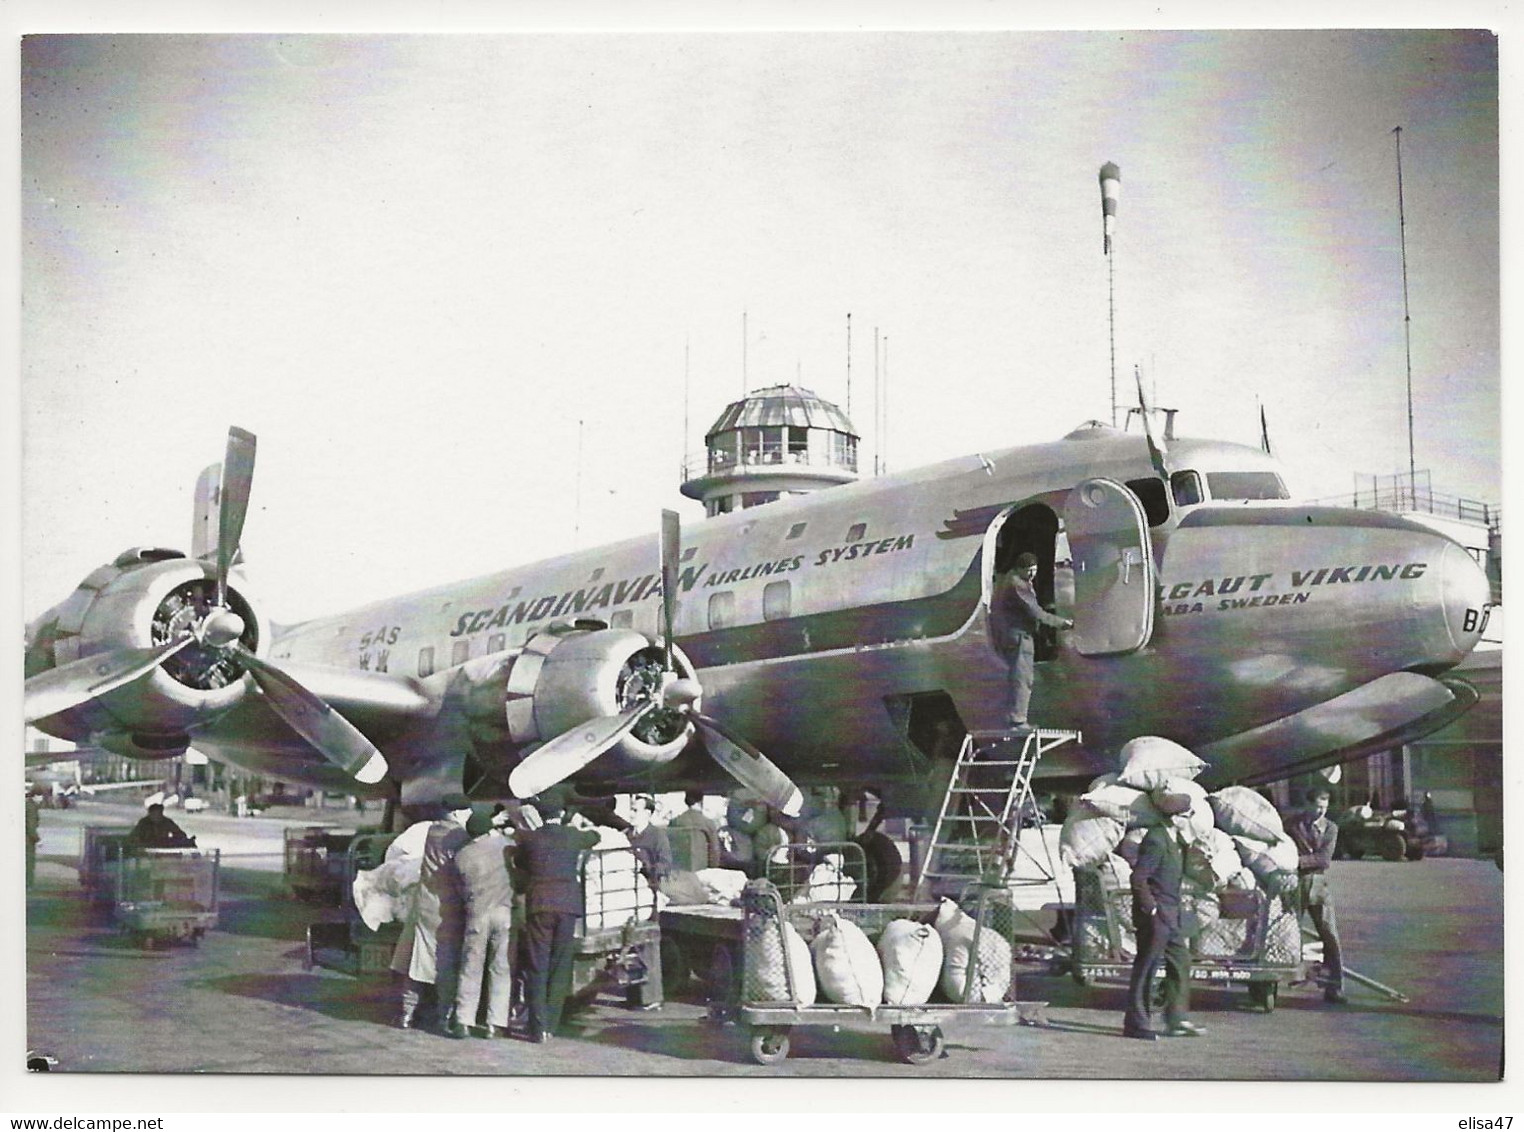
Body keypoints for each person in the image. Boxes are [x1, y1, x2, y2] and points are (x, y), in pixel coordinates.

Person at [514, 792, 600, 1042]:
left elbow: (519, 862)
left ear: (539, 815)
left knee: (537, 965)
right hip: (567, 905)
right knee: (560, 965)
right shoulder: (573, 836)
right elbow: (595, 836)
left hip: (539, 904)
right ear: (561, 814)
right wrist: (581, 825)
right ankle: (551, 1025)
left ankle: (536, 1027)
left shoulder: (530, 839)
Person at [1123, 792, 1205, 1040]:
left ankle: (1177, 1019)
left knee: (1181, 960)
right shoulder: (1157, 841)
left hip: (1172, 915)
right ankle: (1137, 1024)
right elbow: (1138, 878)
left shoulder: (1175, 839)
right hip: (1157, 916)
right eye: (1187, 814)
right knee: (1147, 966)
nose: (1190, 818)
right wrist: (1151, 908)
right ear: (1175, 818)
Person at [390, 793, 474, 1033]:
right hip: (446, 908)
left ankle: (406, 1014)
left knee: (416, 962)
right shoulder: (459, 835)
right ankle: (443, 1017)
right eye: (466, 812)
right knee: (446, 965)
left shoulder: (432, 831)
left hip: (424, 904)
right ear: (458, 813)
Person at [989, 551, 1073, 734]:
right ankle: (1018, 721)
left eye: (1034, 570)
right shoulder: (1018, 585)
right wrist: (1062, 623)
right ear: (1020, 569)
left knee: (1016, 677)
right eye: (1029, 570)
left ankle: (1013, 717)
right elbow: (1036, 613)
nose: (1032, 574)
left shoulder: (1010, 579)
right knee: (1023, 678)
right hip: (1020, 637)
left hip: (1012, 634)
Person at [452, 806, 517, 1039]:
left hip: (477, 915)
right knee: (501, 968)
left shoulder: (462, 856)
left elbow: (460, 890)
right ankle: (495, 1023)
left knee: (471, 967)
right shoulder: (505, 846)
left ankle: (463, 1020)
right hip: (504, 912)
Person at [1286, 786, 1347, 1004]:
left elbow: (1324, 860)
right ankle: (1287, 978)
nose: (1321, 811)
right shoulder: (1292, 825)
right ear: (1308, 805)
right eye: (1317, 806)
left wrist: (1297, 861)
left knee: (1330, 935)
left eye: (1324, 807)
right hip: (1295, 885)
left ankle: (1335, 986)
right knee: (1288, 933)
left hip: (1319, 887)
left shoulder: (1331, 828)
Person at [667, 788, 722, 871]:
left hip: (679, 868)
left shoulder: (675, 822)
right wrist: (713, 868)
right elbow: (714, 850)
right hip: (702, 868)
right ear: (701, 801)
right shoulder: (708, 823)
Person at [626, 794, 673, 885]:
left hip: (650, 884)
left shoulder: (658, 835)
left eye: (635, 810)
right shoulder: (627, 834)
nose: (630, 814)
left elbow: (666, 864)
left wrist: (645, 869)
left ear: (647, 814)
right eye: (631, 810)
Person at [125, 803, 194, 850]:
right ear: (150, 813)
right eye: (154, 814)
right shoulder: (143, 823)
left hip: (163, 847)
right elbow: (133, 837)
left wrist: (172, 841)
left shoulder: (166, 821)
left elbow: (180, 834)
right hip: (147, 847)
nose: (157, 816)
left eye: (159, 813)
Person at [25, 792, 41, 889]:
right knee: (29, 863)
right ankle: (28, 884)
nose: (42, 799)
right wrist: (37, 840)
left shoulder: (26, 805)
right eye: (40, 796)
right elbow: (31, 827)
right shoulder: (32, 808)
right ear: (35, 796)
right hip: (28, 841)